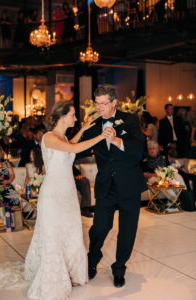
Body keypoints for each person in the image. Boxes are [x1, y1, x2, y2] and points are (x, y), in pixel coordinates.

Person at [24, 101, 107, 300]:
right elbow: (74, 149)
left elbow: (69, 146)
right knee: (54, 235)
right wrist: (101, 136)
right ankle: (54, 283)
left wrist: (83, 130)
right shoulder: (48, 137)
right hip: (53, 195)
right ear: (62, 117)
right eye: (72, 115)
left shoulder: (62, 136)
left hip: (67, 193)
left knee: (70, 231)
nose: (75, 119)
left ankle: (72, 273)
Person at [80, 84, 147, 287]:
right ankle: (92, 261)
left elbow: (138, 151)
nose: (99, 108)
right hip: (106, 187)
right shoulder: (92, 125)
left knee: (127, 231)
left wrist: (117, 140)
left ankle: (119, 269)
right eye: (97, 103)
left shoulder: (130, 120)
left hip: (129, 186)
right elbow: (78, 149)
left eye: (103, 103)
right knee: (99, 228)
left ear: (114, 102)